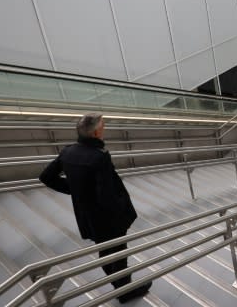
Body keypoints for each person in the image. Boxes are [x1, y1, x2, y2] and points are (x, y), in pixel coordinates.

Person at [39, 113, 152, 303]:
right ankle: (125, 291)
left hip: (87, 216)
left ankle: (118, 284)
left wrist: (74, 190)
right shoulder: (99, 157)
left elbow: (46, 177)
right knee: (119, 252)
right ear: (97, 131)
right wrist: (121, 213)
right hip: (108, 219)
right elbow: (106, 194)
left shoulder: (68, 152)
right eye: (103, 125)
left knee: (105, 251)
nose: (105, 128)